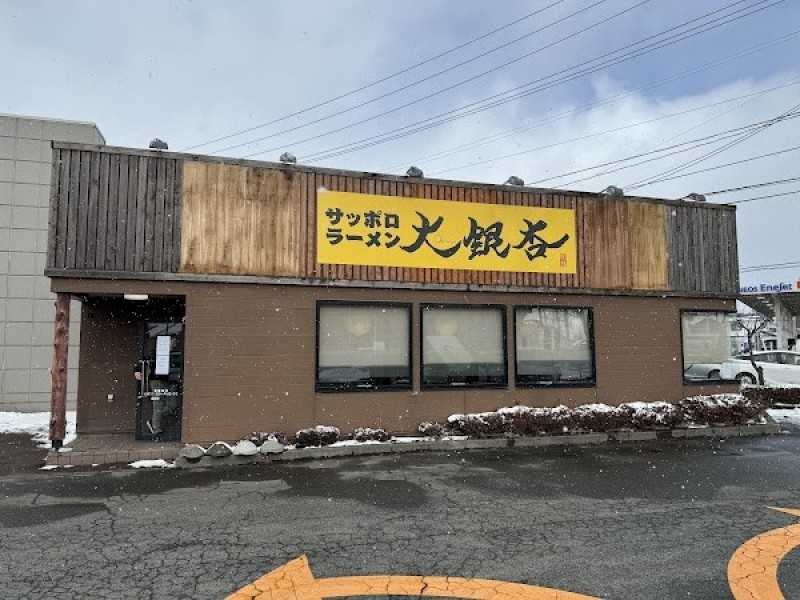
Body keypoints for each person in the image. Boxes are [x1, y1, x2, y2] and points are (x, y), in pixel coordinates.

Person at [134, 362, 166, 441]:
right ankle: (155, 427)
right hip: (157, 379)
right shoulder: (156, 351)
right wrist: (137, 370)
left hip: (172, 379)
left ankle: (153, 421)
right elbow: (145, 357)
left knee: (172, 405)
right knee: (158, 405)